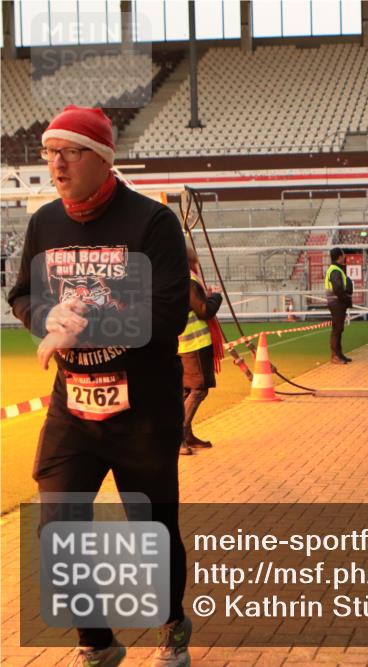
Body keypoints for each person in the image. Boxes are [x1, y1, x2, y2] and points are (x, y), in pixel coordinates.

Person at [6, 105, 193, 666]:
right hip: (74, 411)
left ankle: (171, 622)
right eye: (49, 154)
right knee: (57, 530)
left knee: (150, 536)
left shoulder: (151, 223)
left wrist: (87, 321)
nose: (56, 164)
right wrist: (45, 319)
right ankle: (97, 642)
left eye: (69, 152)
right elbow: (21, 295)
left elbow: (168, 318)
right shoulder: (45, 223)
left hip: (144, 416)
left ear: (102, 158)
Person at [178, 243, 223, 455]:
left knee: (187, 390)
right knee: (198, 389)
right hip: (194, 344)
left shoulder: (175, 277)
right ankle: (180, 435)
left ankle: (186, 435)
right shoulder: (189, 280)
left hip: (183, 343)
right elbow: (204, 311)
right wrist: (216, 297)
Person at [325, 247, 354, 364]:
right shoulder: (335, 271)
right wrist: (346, 299)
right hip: (336, 302)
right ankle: (335, 356)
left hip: (336, 302)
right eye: (343, 255)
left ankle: (339, 354)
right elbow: (338, 289)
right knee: (337, 329)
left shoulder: (336, 269)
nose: (344, 257)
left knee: (339, 328)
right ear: (339, 257)